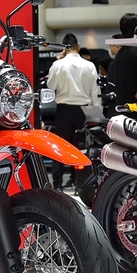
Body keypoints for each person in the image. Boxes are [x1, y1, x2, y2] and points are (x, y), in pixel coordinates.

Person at [46, 33, 101, 190]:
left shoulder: (58, 64)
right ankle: (80, 184)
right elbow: (95, 92)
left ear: (64, 48)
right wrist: (95, 112)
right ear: (79, 47)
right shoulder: (89, 65)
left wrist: (58, 61)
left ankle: (57, 184)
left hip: (64, 110)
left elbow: (50, 86)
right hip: (83, 110)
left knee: (60, 146)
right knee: (81, 148)